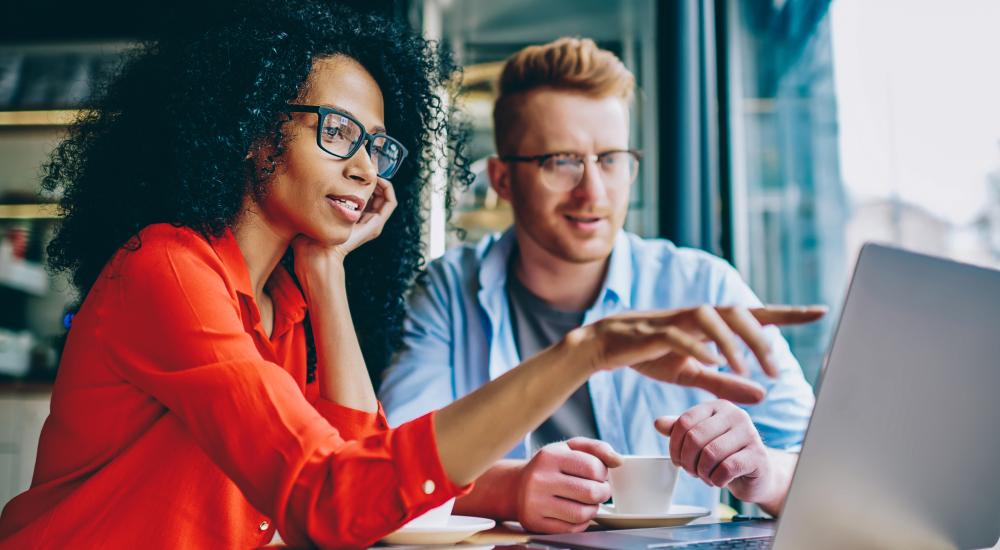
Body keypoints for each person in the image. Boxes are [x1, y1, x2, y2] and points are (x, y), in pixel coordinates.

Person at [0, 6, 822, 545]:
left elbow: (357, 465)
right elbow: (329, 500)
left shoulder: (282, 300)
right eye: (336, 132)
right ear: (251, 134)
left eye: (377, 146)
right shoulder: (170, 272)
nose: (365, 167)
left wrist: (323, 272)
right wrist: (586, 351)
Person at [379, 37, 819, 534]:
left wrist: (763, 473)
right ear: (502, 179)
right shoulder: (448, 291)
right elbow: (390, 469)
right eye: (561, 161)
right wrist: (511, 488)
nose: (593, 191)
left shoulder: (702, 285)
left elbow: (826, 468)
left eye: (610, 159)